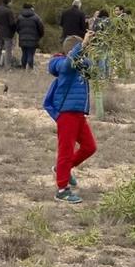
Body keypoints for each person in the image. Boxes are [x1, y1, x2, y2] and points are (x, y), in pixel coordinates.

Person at [45, 35, 97, 203]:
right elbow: (68, 65)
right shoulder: (59, 62)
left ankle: (62, 170)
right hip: (66, 114)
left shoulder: (81, 63)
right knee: (66, 151)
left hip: (79, 114)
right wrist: (82, 45)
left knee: (90, 147)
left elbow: (93, 70)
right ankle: (62, 190)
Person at [15, 3, 44, 70]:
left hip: (22, 38)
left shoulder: (19, 17)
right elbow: (41, 28)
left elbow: (17, 28)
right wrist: (39, 36)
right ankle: (30, 69)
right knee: (30, 54)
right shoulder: (36, 17)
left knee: (24, 54)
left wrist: (21, 34)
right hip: (33, 39)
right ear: (31, 8)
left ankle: (23, 68)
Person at [0, 0, 16, 69]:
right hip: (8, 33)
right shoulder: (9, 11)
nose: (12, 3)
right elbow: (12, 23)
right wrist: (13, 31)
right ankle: (7, 66)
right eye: (11, 2)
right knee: (8, 50)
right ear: (8, 2)